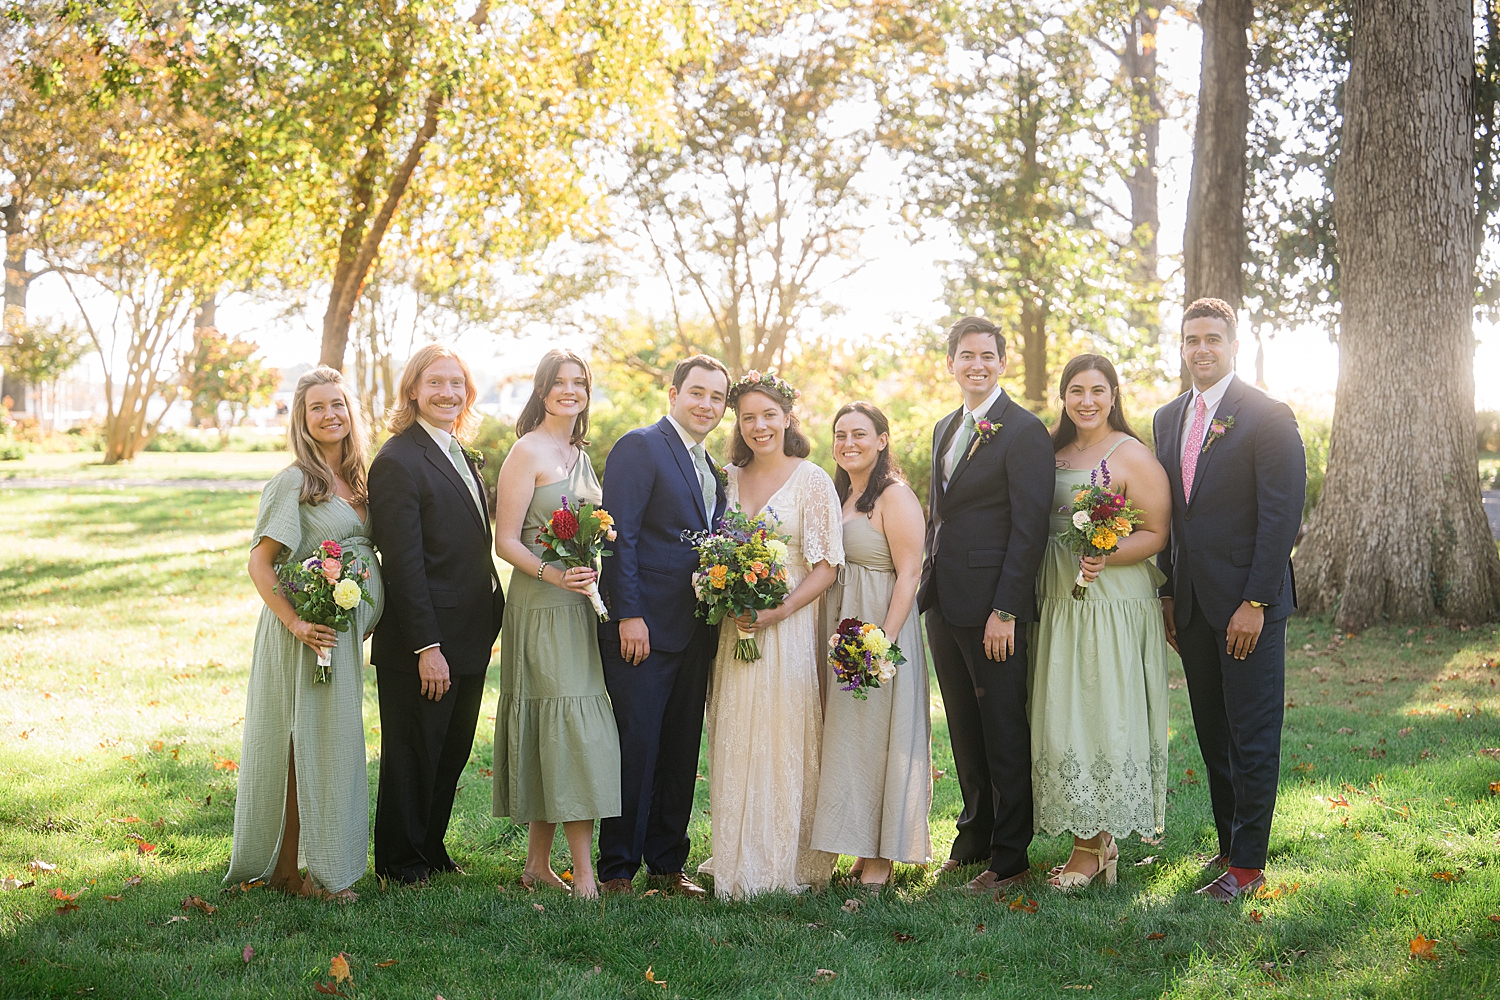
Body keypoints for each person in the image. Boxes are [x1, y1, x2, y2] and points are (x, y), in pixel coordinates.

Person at [1154, 298, 1305, 902]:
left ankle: (1247, 866)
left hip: (1248, 608)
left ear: (1233, 345)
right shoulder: (1168, 419)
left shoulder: (1268, 416)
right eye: (1192, 340)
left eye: (1213, 339)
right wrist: (1168, 593)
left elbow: (1280, 517)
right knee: (1213, 734)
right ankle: (1227, 845)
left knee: (1252, 732)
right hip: (1190, 608)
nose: (1201, 349)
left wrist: (1257, 602)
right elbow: (1169, 518)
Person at [226, 366, 382, 902]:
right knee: (300, 747)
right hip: (303, 633)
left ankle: (301, 868)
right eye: (317, 407)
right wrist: (296, 623)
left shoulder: (362, 481)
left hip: (337, 637)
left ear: (350, 411)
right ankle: (295, 870)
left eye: (337, 404)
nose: (329, 414)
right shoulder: (294, 482)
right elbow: (260, 564)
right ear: (302, 418)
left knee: (329, 746)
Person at [917, 316, 1054, 896]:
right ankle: (972, 837)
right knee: (966, 730)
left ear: (1002, 363)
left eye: (987, 356)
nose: (977, 364)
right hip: (943, 603)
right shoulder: (946, 427)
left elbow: (1030, 529)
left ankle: (1010, 856)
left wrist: (1007, 610)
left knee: (1002, 727)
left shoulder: (1023, 432)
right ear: (950, 364)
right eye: (966, 356)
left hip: (994, 607)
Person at [698, 370, 843, 898]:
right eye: (748, 417)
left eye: (769, 415)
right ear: (738, 423)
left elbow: (826, 566)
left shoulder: (813, 480)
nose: (759, 426)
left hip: (788, 631)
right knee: (734, 734)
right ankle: (737, 856)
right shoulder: (725, 478)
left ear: (788, 418)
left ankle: (786, 860)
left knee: (784, 736)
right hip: (735, 629)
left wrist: (777, 612)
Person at [1029, 355, 1172, 890]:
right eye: (1075, 390)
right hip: (1057, 599)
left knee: (1099, 710)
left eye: (1097, 390)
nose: (1085, 401)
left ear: (1114, 394)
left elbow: (1157, 532)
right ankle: (1093, 840)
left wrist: (1107, 554)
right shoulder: (1048, 450)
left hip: (1109, 603)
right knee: (1062, 713)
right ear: (1063, 396)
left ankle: (1091, 850)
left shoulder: (1131, 455)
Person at [368, 345, 506, 885]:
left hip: (469, 631)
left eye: (457, 383)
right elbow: (403, 565)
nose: (448, 393)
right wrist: (427, 647)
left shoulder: (458, 453)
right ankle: (400, 862)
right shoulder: (397, 460)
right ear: (413, 391)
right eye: (436, 383)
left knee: (449, 751)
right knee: (413, 752)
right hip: (424, 640)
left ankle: (428, 846)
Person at [596, 355, 731, 898]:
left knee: (680, 747)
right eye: (696, 393)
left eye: (717, 398)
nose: (706, 405)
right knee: (637, 745)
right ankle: (617, 869)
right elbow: (620, 536)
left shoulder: (712, 467)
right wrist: (629, 614)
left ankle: (668, 863)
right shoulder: (640, 446)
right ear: (673, 394)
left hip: (696, 628)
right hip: (643, 628)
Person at [491, 349, 621, 899]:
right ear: (542, 391)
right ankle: (585, 872)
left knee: (562, 724)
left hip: (578, 605)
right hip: (541, 605)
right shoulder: (528, 451)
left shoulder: (579, 453)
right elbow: (506, 539)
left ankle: (536, 866)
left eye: (580, 383)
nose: (571, 391)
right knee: (568, 726)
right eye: (560, 383)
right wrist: (552, 573)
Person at [810, 402, 931, 892]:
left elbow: (910, 573)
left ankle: (881, 861)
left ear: (882, 439)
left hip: (877, 629)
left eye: (860, 434)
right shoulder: (842, 495)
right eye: (840, 435)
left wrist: (883, 643)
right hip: (841, 626)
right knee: (851, 741)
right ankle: (861, 851)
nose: (848, 443)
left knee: (881, 740)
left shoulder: (894, 496)